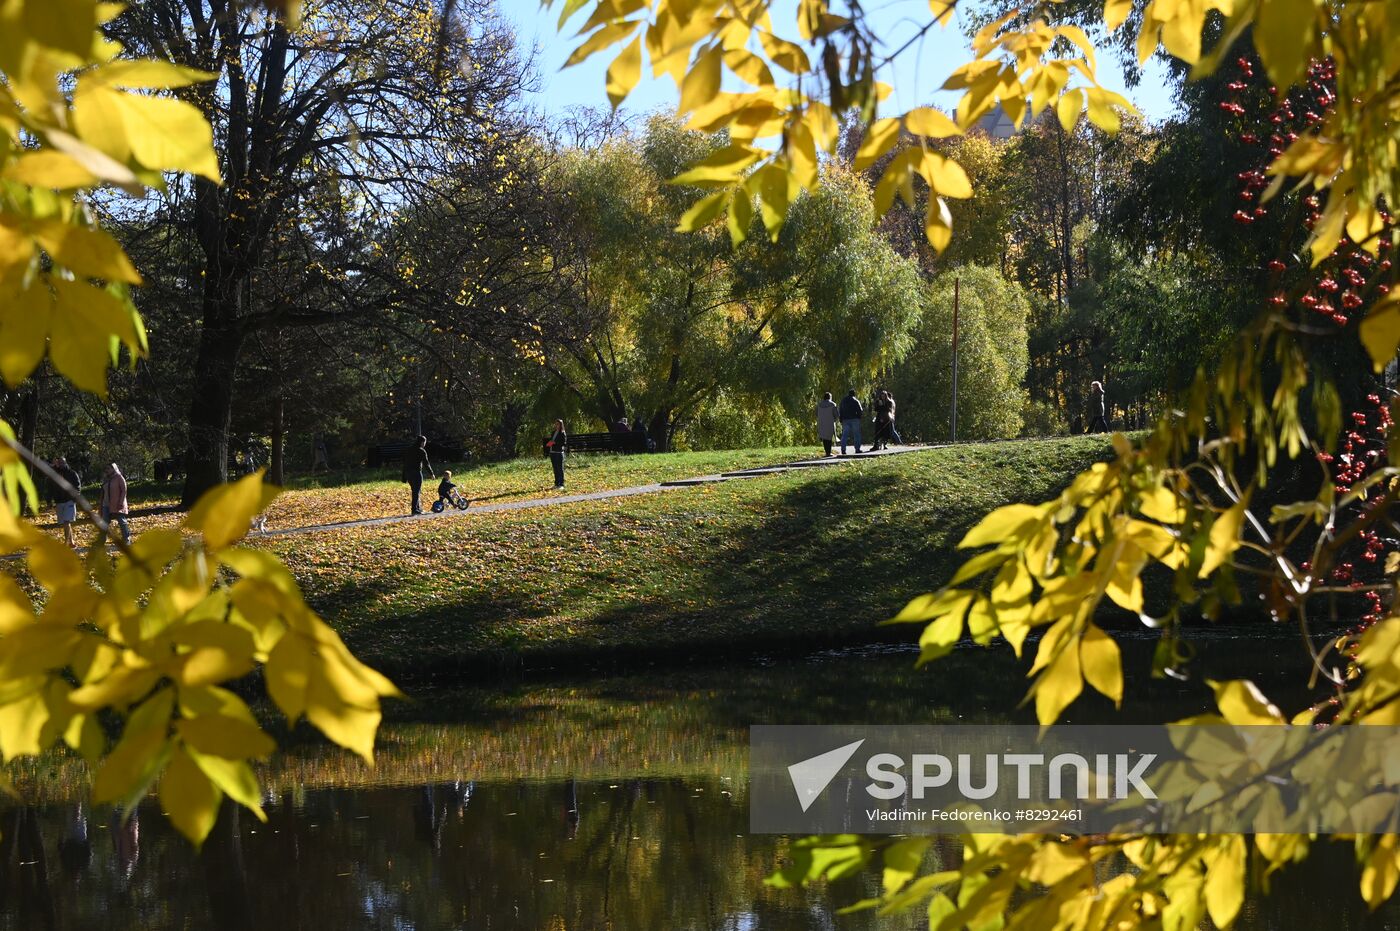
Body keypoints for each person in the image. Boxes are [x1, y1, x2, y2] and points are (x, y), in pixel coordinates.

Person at [51, 456, 81, 546]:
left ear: (66, 462)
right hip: (59, 501)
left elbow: (78, 486)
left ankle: (66, 543)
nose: (60, 464)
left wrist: (75, 497)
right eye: (59, 463)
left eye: (62, 462)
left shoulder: (72, 473)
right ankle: (71, 542)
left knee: (67, 522)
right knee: (64, 523)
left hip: (69, 500)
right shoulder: (55, 474)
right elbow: (51, 487)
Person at [403, 435, 434, 515]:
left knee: (415, 491)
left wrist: (404, 476)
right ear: (422, 442)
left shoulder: (409, 449)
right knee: (416, 491)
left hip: (408, 472)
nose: (425, 444)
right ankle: (414, 509)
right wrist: (431, 474)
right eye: (424, 442)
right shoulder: (421, 451)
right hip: (416, 473)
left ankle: (417, 508)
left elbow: (405, 463)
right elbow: (426, 464)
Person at [100, 462, 130, 543]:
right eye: (106, 469)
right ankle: (102, 540)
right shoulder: (106, 479)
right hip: (106, 504)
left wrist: (121, 503)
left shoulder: (119, 477)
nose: (107, 470)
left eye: (109, 468)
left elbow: (124, 491)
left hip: (117, 504)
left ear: (114, 469)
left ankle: (126, 540)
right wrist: (101, 504)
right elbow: (103, 492)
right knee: (104, 523)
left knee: (122, 522)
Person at [838, 390, 864, 454]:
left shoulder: (843, 401)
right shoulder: (856, 401)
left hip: (845, 419)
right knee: (856, 434)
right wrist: (859, 417)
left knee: (844, 435)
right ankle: (857, 449)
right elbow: (860, 410)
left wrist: (841, 418)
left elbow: (840, 410)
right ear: (854, 394)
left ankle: (843, 449)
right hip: (854, 419)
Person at [816, 392, 840, 456]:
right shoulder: (833, 404)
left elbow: (817, 414)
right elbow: (836, 415)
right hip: (830, 423)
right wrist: (834, 420)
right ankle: (828, 453)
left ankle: (827, 452)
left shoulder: (819, 405)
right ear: (830, 397)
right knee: (829, 438)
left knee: (824, 438)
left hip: (821, 423)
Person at [546, 419, 567, 489]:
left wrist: (555, 443)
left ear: (561, 425)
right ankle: (556, 484)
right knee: (555, 469)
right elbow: (552, 440)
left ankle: (561, 484)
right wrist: (550, 443)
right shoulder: (553, 432)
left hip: (559, 452)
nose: (556, 425)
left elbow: (564, 443)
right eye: (556, 424)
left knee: (560, 469)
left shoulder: (562, 433)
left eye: (558, 424)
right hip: (552, 452)